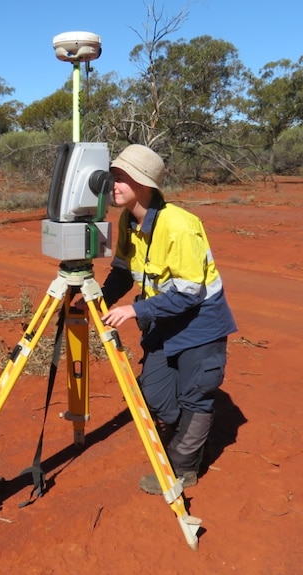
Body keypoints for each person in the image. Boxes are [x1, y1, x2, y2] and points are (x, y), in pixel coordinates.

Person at [98, 144, 238, 494]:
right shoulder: (128, 220)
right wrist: (97, 300)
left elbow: (190, 292)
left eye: (121, 179)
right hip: (164, 319)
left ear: (144, 184)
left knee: (196, 394)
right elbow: (122, 272)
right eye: (114, 177)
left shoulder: (180, 225)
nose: (113, 185)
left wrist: (135, 310)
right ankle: (190, 434)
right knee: (154, 393)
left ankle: (183, 468)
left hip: (200, 322)